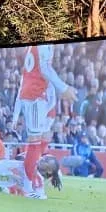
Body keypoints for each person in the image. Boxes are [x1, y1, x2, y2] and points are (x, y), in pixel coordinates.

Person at [12, 44, 76, 199]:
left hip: (45, 94)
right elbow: (44, 69)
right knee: (34, 141)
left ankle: (41, 175)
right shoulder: (42, 43)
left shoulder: (35, 47)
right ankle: (27, 186)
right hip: (35, 96)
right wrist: (64, 87)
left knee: (45, 137)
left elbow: (25, 76)